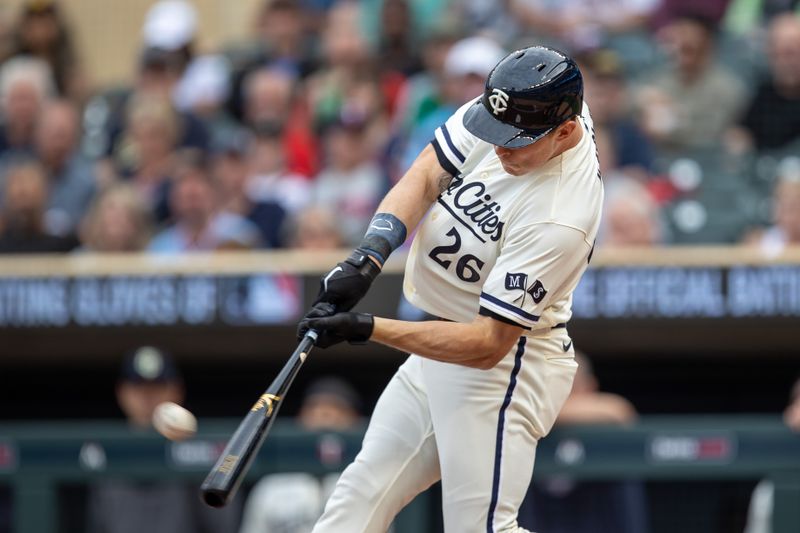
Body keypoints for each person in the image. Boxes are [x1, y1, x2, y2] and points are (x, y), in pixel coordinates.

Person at [298, 45, 603, 532]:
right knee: (356, 502)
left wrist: (367, 327)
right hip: (444, 343)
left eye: (516, 139)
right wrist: (369, 255)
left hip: (508, 367)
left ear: (565, 131)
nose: (500, 147)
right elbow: (425, 174)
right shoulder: (521, 100)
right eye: (496, 131)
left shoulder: (562, 214)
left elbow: (488, 344)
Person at [87, 346, 240, 533]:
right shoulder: (106, 451)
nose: (147, 397)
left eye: (157, 387)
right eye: (138, 387)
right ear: (122, 393)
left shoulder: (199, 449)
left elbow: (223, 526)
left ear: (177, 391)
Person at [238, 377, 363, 533]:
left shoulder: (365, 482)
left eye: (337, 408)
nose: (324, 414)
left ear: (354, 420)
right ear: (300, 417)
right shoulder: (273, 484)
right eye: (314, 407)